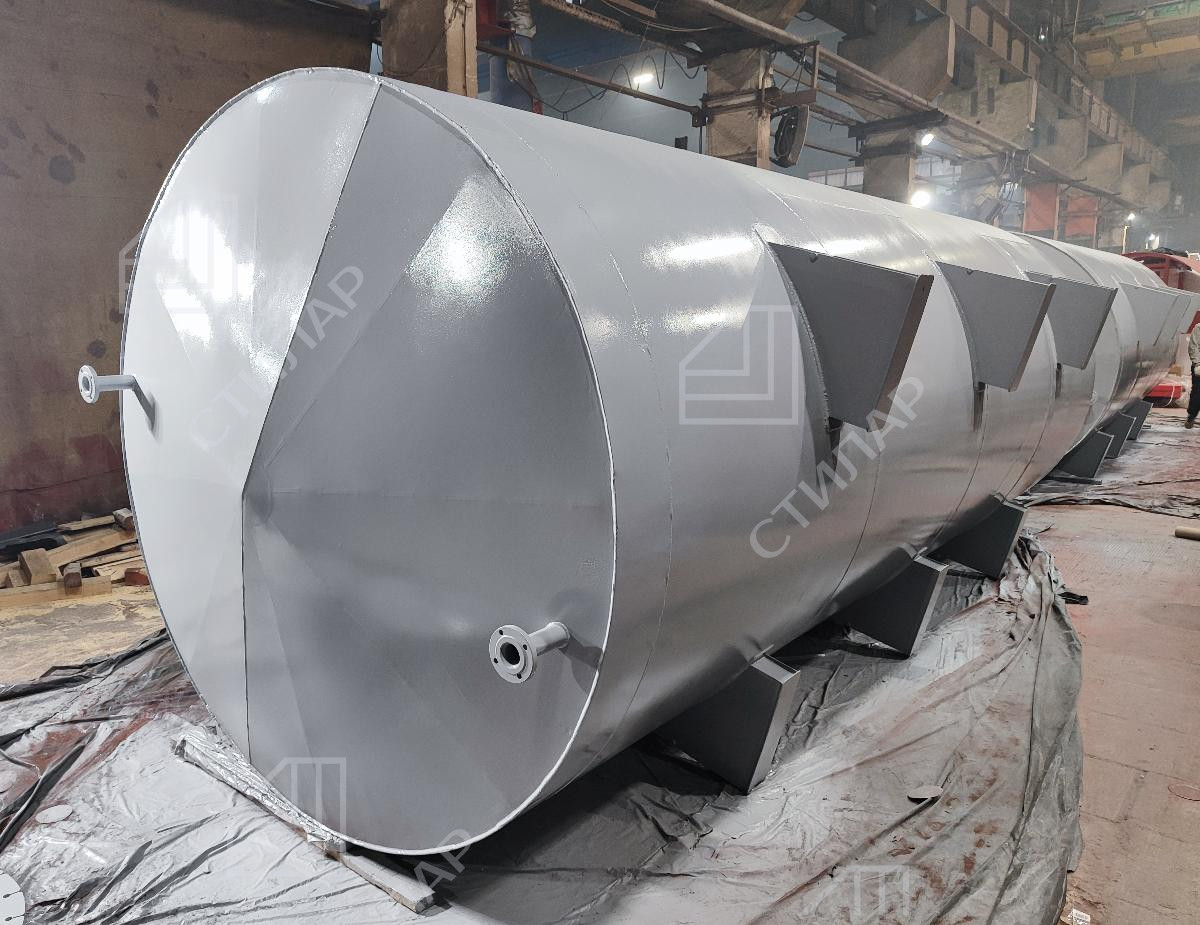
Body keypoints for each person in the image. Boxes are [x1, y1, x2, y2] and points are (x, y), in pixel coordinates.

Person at [1189, 322, 1200, 428]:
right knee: (1197, 393)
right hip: (1199, 366)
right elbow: (1193, 347)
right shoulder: (1199, 328)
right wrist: (1197, 364)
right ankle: (1191, 415)